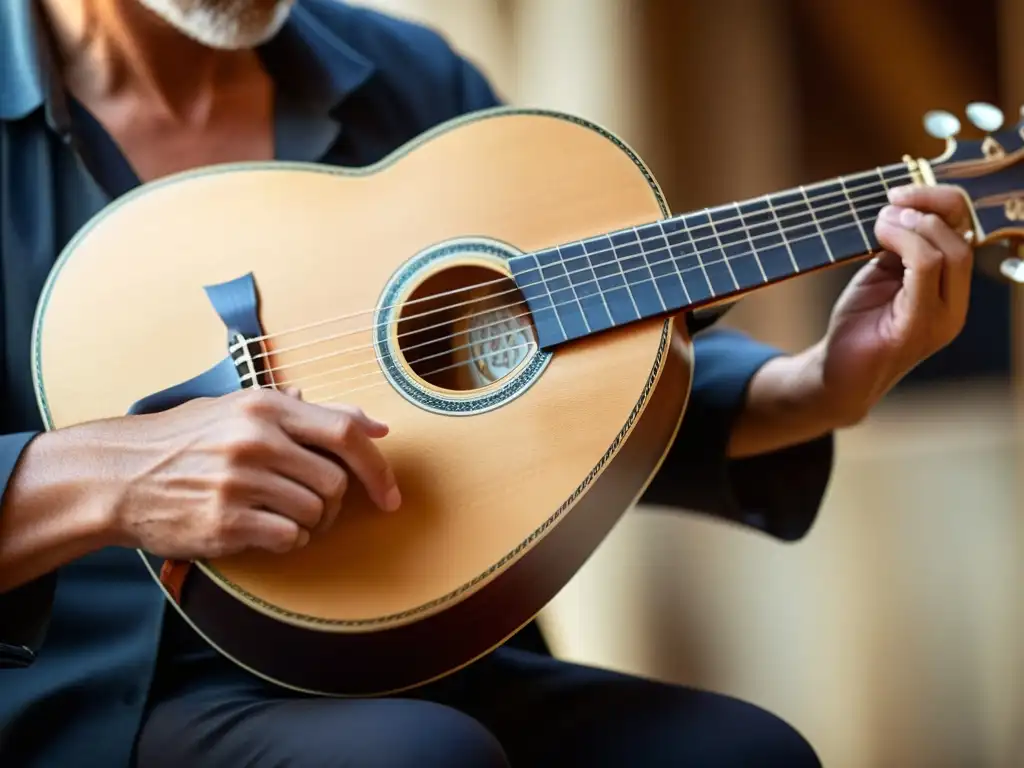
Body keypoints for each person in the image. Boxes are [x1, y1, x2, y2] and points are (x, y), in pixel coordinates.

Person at [0, 1, 975, 766]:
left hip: (403, 643)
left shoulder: (409, 78)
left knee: (748, 752)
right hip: (81, 690)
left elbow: (566, 395)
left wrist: (818, 386)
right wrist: (105, 479)